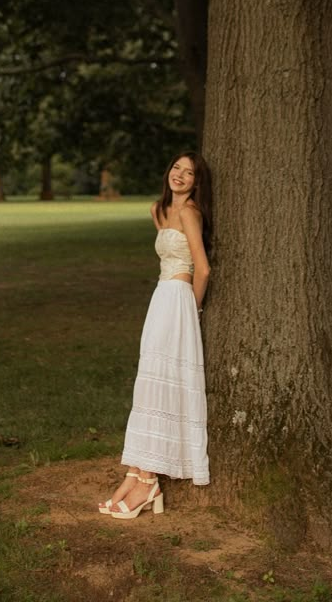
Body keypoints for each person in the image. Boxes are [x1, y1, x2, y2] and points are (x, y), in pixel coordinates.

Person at [98, 152, 212, 519]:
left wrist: (192, 312)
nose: (180, 175)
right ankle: (136, 474)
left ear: (197, 181)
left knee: (163, 384)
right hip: (160, 298)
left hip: (178, 300)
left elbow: (203, 268)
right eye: (176, 168)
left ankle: (149, 483)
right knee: (149, 384)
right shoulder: (157, 211)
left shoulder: (190, 213)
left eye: (189, 172)